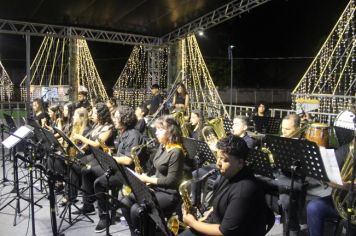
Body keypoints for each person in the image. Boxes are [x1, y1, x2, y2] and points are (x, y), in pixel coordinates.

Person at [180, 135, 274, 236]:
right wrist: (205, 218)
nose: (218, 164)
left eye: (224, 160)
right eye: (218, 158)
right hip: (217, 224)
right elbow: (221, 203)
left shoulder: (244, 190)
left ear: (240, 162)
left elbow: (224, 232)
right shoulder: (228, 174)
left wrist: (193, 223)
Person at [121, 116, 185, 235]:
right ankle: (136, 233)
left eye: (160, 129)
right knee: (125, 202)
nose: (156, 132)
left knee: (137, 209)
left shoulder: (176, 151)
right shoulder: (162, 146)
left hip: (169, 193)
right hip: (157, 188)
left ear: (170, 131)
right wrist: (146, 176)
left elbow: (171, 181)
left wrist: (147, 179)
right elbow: (157, 170)